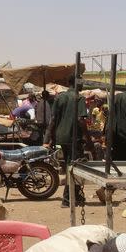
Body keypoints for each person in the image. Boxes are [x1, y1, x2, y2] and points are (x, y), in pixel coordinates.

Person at [46, 74, 91, 206]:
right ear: (78, 83)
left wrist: (50, 138)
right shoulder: (79, 98)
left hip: (62, 137)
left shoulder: (60, 97)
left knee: (69, 166)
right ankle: (67, 199)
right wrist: (88, 140)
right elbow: (81, 120)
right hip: (73, 138)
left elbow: (53, 120)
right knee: (75, 168)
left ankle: (76, 196)